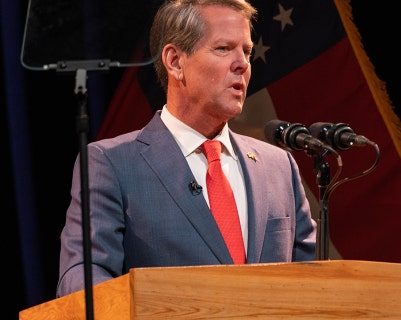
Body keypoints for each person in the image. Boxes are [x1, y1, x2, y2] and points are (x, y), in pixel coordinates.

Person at [57, 0, 317, 297]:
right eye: (223, 49)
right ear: (175, 61)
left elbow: (310, 281)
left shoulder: (279, 166)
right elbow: (82, 276)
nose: (243, 64)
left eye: (245, 51)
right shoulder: (111, 164)